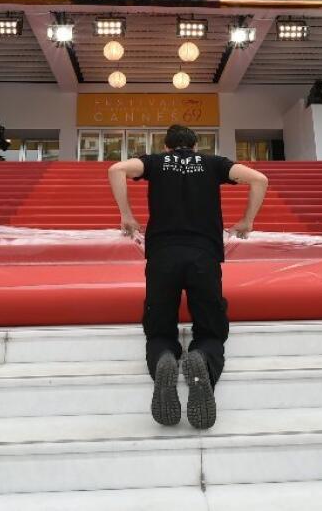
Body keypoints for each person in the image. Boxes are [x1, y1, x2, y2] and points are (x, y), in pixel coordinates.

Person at [108, 124, 269, 429]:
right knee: (210, 330)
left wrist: (126, 215)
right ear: (195, 146)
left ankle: (165, 359)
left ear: (167, 147)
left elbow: (116, 169)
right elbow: (259, 179)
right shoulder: (213, 163)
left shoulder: (155, 162)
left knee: (159, 330)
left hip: (163, 255)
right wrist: (247, 220)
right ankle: (203, 360)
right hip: (203, 255)